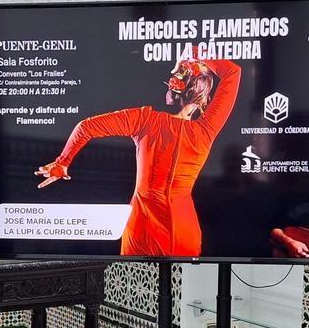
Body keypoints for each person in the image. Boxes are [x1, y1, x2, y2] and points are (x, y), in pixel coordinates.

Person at [35, 55, 241, 256]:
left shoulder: (145, 120)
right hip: (184, 232)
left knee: (138, 288)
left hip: (142, 230)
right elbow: (233, 72)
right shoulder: (206, 129)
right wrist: (194, 52)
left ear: (174, 89)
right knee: (181, 289)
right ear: (203, 99)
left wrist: (63, 162)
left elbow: (85, 127)